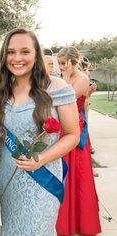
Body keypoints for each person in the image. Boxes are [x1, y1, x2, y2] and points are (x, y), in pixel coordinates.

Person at [0, 28, 80, 236]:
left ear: (36, 54)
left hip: (43, 179)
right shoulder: (1, 90)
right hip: (9, 180)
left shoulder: (56, 86)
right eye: (11, 52)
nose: (17, 58)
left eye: (24, 51)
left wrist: (41, 158)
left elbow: (72, 135)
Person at [56, 46, 101, 235]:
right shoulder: (62, 78)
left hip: (76, 131)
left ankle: (78, 221)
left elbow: (65, 99)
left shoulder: (82, 79)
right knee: (61, 174)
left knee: (76, 175)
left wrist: (64, 78)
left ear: (73, 62)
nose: (60, 66)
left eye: (63, 63)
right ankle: (62, 219)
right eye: (58, 63)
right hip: (61, 128)